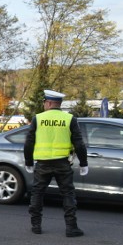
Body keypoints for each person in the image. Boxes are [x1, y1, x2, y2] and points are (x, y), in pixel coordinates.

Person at [23, 90, 88, 237]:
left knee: (38, 193)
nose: (44, 105)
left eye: (44, 102)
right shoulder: (69, 119)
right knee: (68, 194)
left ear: (49, 103)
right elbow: (79, 143)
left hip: (43, 164)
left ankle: (36, 225)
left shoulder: (38, 119)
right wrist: (84, 163)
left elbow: (29, 142)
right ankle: (71, 228)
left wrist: (28, 161)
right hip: (62, 163)